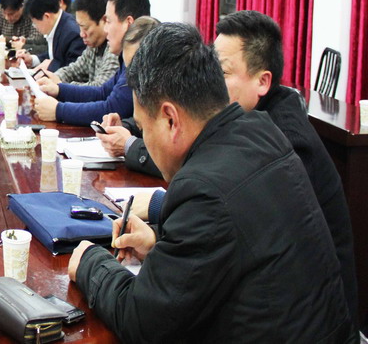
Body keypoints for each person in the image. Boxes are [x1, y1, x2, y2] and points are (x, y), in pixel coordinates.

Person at [68, 23, 355, 343]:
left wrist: (91, 263)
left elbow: (142, 321)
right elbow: (233, 246)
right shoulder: (262, 131)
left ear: (170, 119)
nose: (144, 138)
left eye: (143, 127)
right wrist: (159, 246)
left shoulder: (201, 189)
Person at [33, 0, 150, 124]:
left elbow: (112, 107)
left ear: (129, 23)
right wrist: (59, 89)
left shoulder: (143, 57)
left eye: (108, 21)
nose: (106, 29)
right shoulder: (128, 57)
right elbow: (102, 92)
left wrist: (58, 110)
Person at [36, 0, 119, 87]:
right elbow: (73, 70)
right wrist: (52, 78)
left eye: (85, 28)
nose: (81, 34)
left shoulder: (115, 48)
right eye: (79, 26)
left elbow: (100, 88)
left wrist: (61, 86)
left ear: (104, 20)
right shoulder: (93, 46)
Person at [14, 0, 84, 72]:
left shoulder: (73, 33)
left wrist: (51, 66)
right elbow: (54, 56)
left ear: (46, 16)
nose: (35, 27)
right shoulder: (59, 24)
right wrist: (32, 60)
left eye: (35, 23)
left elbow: (75, 70)